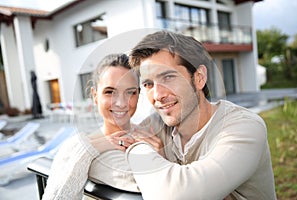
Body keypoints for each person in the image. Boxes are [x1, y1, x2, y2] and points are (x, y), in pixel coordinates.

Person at [125, 30, 277, 199]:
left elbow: (176, 196)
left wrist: (139, 149)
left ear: (199, 78)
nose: (157, 95)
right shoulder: (156, 123)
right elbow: (107, 150)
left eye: (168, 77)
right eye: (148, 84)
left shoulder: (244, 128)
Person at [42, 53, 143, 199]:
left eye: (130, 92)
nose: (121, 103)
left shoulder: (150, 135)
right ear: (95, 95)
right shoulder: (76, 147)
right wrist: (90, 149)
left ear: (138, 95)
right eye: (110, 92)